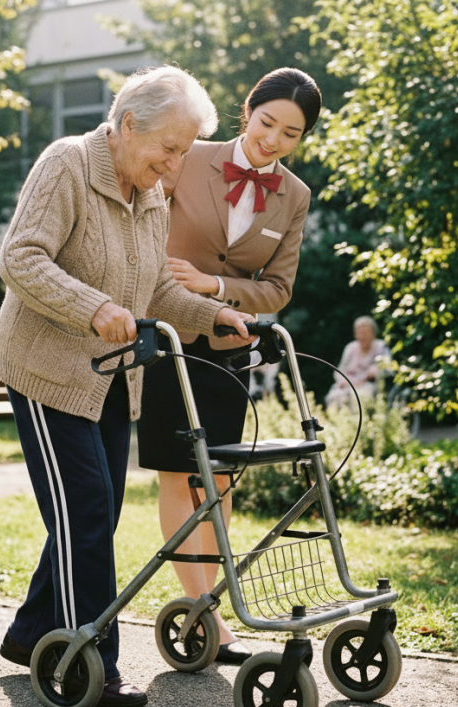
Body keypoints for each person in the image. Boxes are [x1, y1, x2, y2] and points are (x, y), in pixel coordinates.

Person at [0, 66, 254, 707]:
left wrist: (210, 314)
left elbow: (153, 291)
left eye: (184, 152)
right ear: (128, 124)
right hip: (47, 372)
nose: (174, 165)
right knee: (84, 508)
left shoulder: (151, 192)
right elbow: (20, 258)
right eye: (169, 148)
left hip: (110, 379)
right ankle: (92, 661)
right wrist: (91, 307)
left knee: (97, 512)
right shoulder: (68, 166)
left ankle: (31, 635)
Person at [136, 68, 322, 664]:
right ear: (249, 110)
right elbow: (138, 225)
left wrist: (217, 284)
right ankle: (211, 618)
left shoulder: (295, 196)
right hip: (165, 336)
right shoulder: (188, 156)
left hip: (227, 350)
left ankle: (208, 603)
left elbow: (278, 289)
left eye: (290, 133)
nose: (273, 140)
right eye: (267, 122)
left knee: (216, 481)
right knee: (177, 473)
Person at [326, 315, 391, 407]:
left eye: (365, 333)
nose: (361, 336)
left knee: (360, 397)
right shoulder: (350, 347)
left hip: (369, 384)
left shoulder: (381, 346)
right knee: (333, 396)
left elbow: (387, 368)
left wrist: (373, 372)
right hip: (348, 384)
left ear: (373, 333)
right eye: (359, 333)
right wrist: (343, 380)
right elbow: (339, 370)